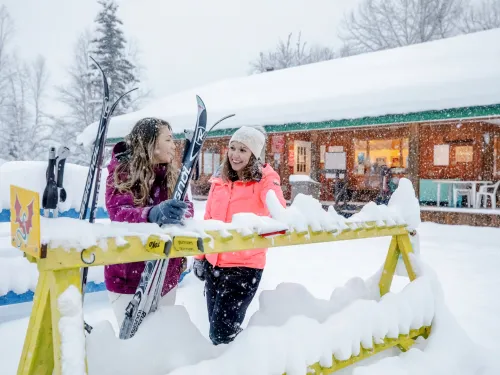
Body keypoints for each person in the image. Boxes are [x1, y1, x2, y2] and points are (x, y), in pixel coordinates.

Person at [192, 126, 286, 345]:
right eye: (232, 148)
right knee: (218, 332)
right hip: (214, 263)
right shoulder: (220, 180)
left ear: (254, 154)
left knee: (221, 333)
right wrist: (199, 257)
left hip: (244, 267)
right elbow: (208, 219)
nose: (235, 155)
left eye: (243, 150)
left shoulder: (264, 180)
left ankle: (255, 356)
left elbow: (279, 212)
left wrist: (269, 181)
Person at [104, 117, 194, 325]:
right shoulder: (121, 172)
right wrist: (151, 213)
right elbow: (118, 212)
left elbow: (188, 209)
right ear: (151, 144)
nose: (174, 145)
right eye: (169, 139)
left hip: (166, 273)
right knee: (134, 342)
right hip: (128, 276)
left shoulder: (172, 174)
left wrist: (179, 213)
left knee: (160, 338)